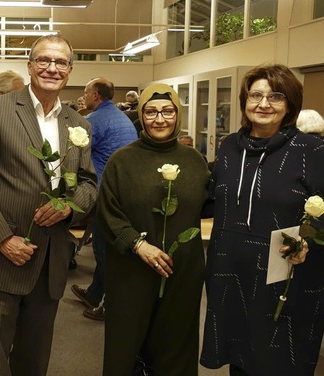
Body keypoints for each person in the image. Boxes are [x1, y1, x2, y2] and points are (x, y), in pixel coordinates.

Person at [0, 34, 98, 376]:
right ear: (30, 65)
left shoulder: (77, 124)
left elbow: (88, 183)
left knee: (34, 362)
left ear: (69, 70)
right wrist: (4, 239)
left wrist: (69, 207)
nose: (52, 68)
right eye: (44, 60)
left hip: (51, 262)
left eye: (61, 62)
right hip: (1, 260)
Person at [200, 64, 324, 376]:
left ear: (290, 104)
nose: (264, 104)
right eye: (256, 95)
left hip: (284, 275)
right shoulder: (229, 146)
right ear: (244, 101)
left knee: (278, 361)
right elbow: (210, 199)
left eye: (275, 96)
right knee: (239, 358)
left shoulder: (312, 150)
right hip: (230, 272)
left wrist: (309, 241)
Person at [96, 83, 209, 375]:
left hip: (181, 274)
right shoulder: (122, 161)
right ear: (142, 115)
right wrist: (138, 244)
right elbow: (108, 212)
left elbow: (210, 206)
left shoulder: (195, 162)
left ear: (177, 115)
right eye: (151, 112)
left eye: (168, 111)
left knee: (176, 346)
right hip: (132, 271)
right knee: (127, 345)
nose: (160, 119)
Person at [71, 77, 137, 321]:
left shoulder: (93, 121)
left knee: (102, 248)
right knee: (106, 245)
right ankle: (95, 292)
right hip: (123, 190)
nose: (85, 96)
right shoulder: (122, 117)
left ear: (95, 95)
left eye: (86, 92)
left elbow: (75, 155)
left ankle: (109, 305)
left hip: (104, 192)